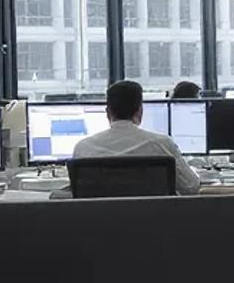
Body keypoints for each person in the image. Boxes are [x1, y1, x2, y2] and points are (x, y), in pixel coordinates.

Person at [70, 80, 200, 196]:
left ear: (108, 112)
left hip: (101, 221)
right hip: (155, 220)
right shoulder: (161, 143)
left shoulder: (83, 147)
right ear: (140, 111)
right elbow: (191, 187)